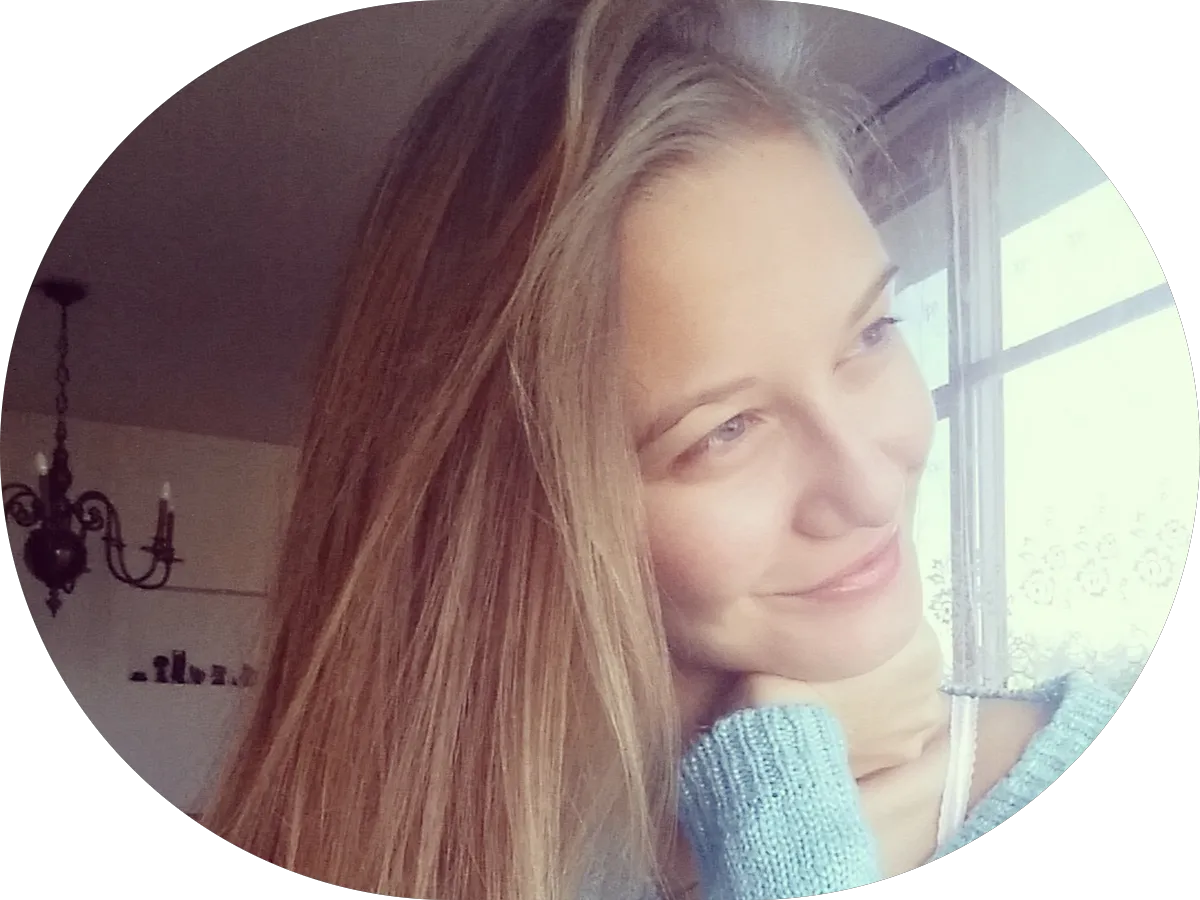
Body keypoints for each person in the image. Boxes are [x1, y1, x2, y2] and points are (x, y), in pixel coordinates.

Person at [199, 2, 1126, 898]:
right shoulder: (450, 848)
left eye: (871, 334)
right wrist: (776, 799)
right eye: (726, 430)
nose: (868, 486)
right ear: (531, 513)